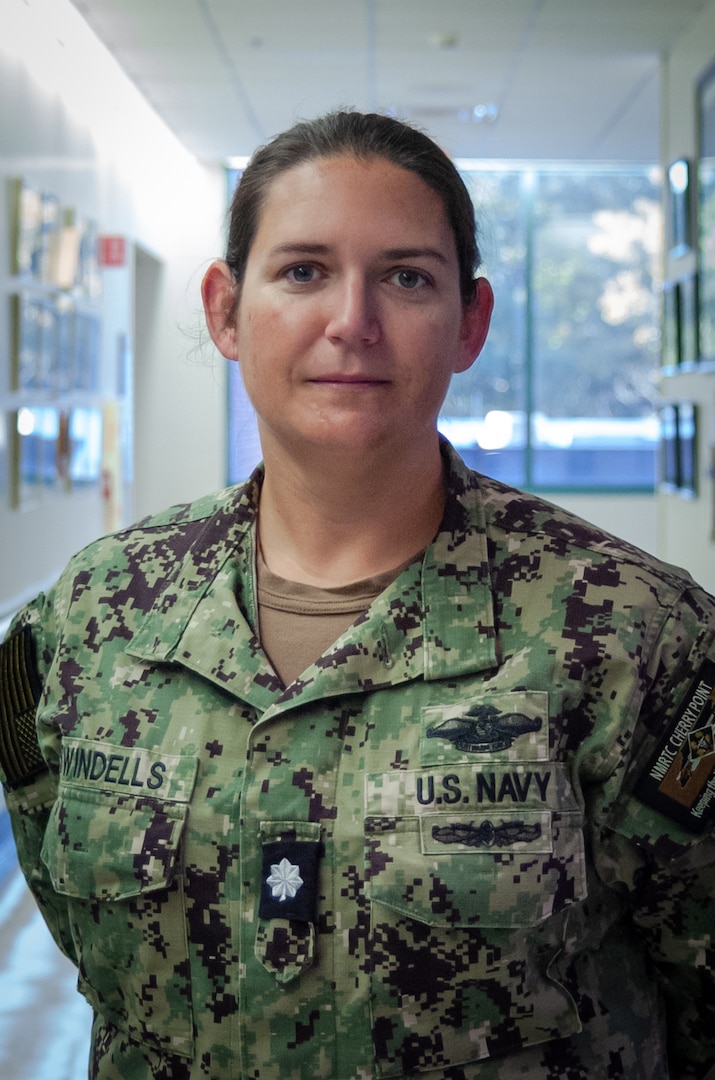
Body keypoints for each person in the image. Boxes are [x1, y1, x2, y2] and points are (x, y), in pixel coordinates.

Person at [0, 109, 714, 1080]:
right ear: (223, 309)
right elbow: (92, 946)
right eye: (302, 271)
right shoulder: (90, 617)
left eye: (406, 276)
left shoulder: (632, 635)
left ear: (469, 322)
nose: (351, 321)